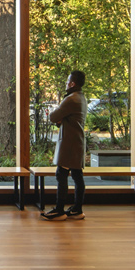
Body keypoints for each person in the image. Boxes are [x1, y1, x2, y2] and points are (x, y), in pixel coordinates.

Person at [42, 70, 88, 221]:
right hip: (78, 141)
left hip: (69, 142)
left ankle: (59, 210)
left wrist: (59, 118)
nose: (66, 84)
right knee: (76, 175)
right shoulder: (81, 98)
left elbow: (54, 117)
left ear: (72, 83)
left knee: (61, 174)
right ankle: (77, 209)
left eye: (68, 81)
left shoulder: (71, 99)